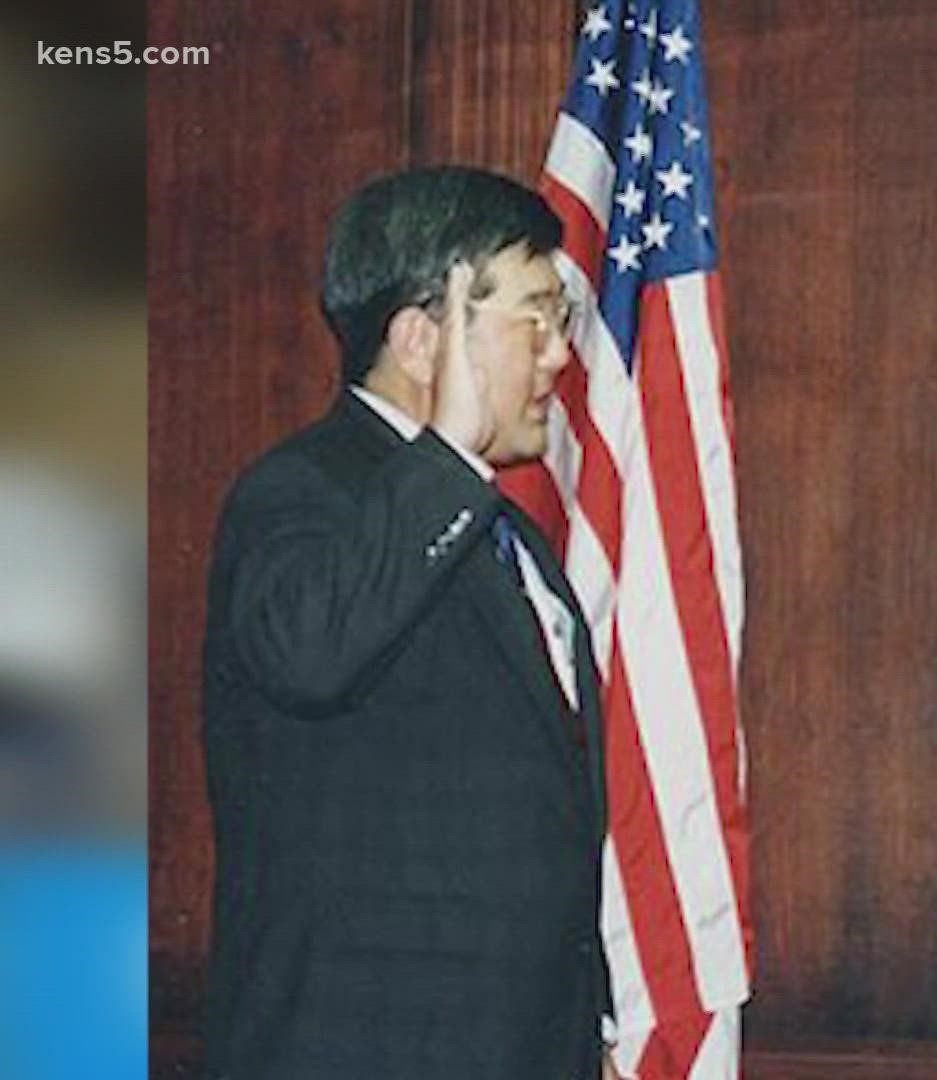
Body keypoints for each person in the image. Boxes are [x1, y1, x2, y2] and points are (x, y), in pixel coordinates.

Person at [200, 166, 611, 1079]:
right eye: (534, 318)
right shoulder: (300, 490)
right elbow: (308, 651)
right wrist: (450, 455)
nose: (557, 356)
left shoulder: (509, 539)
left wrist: (588, 1035)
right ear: (425, 338)